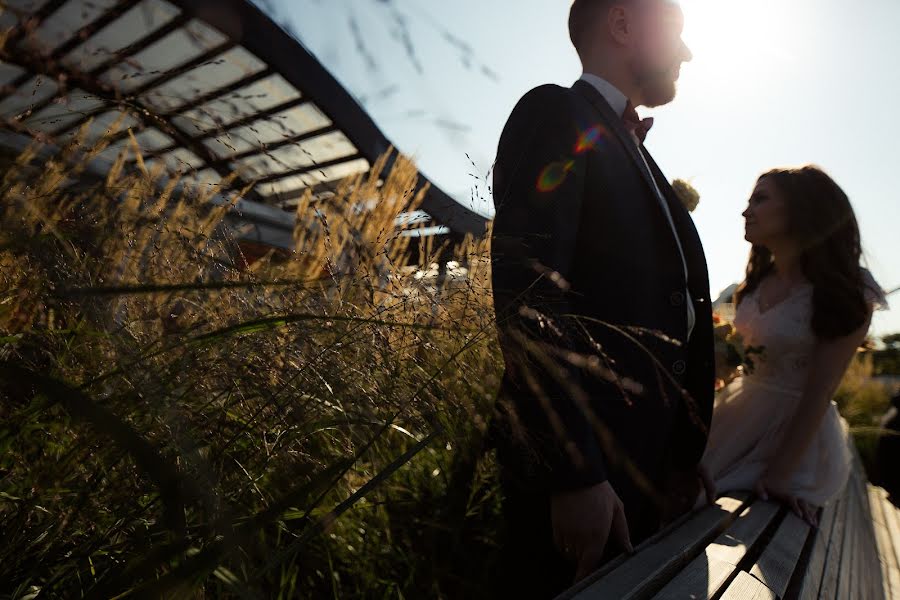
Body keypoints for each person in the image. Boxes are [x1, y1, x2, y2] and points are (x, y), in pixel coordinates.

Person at [488, 1, 714, 596]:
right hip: (587, 475)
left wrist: (680, 457)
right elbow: (530, 294)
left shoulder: (638, 151)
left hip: (644, 472)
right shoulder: (556, 113)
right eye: (678, 35)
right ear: (621, 25)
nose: (686, 52)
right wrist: (574, 472)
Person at [697, 166, 889, 524]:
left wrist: (779, 473)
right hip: (735, 417)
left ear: (802, 209)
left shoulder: (846, 290)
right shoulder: (754, 284)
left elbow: (820, 391)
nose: (746, 211)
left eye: (760, 199)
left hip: (794, 437)